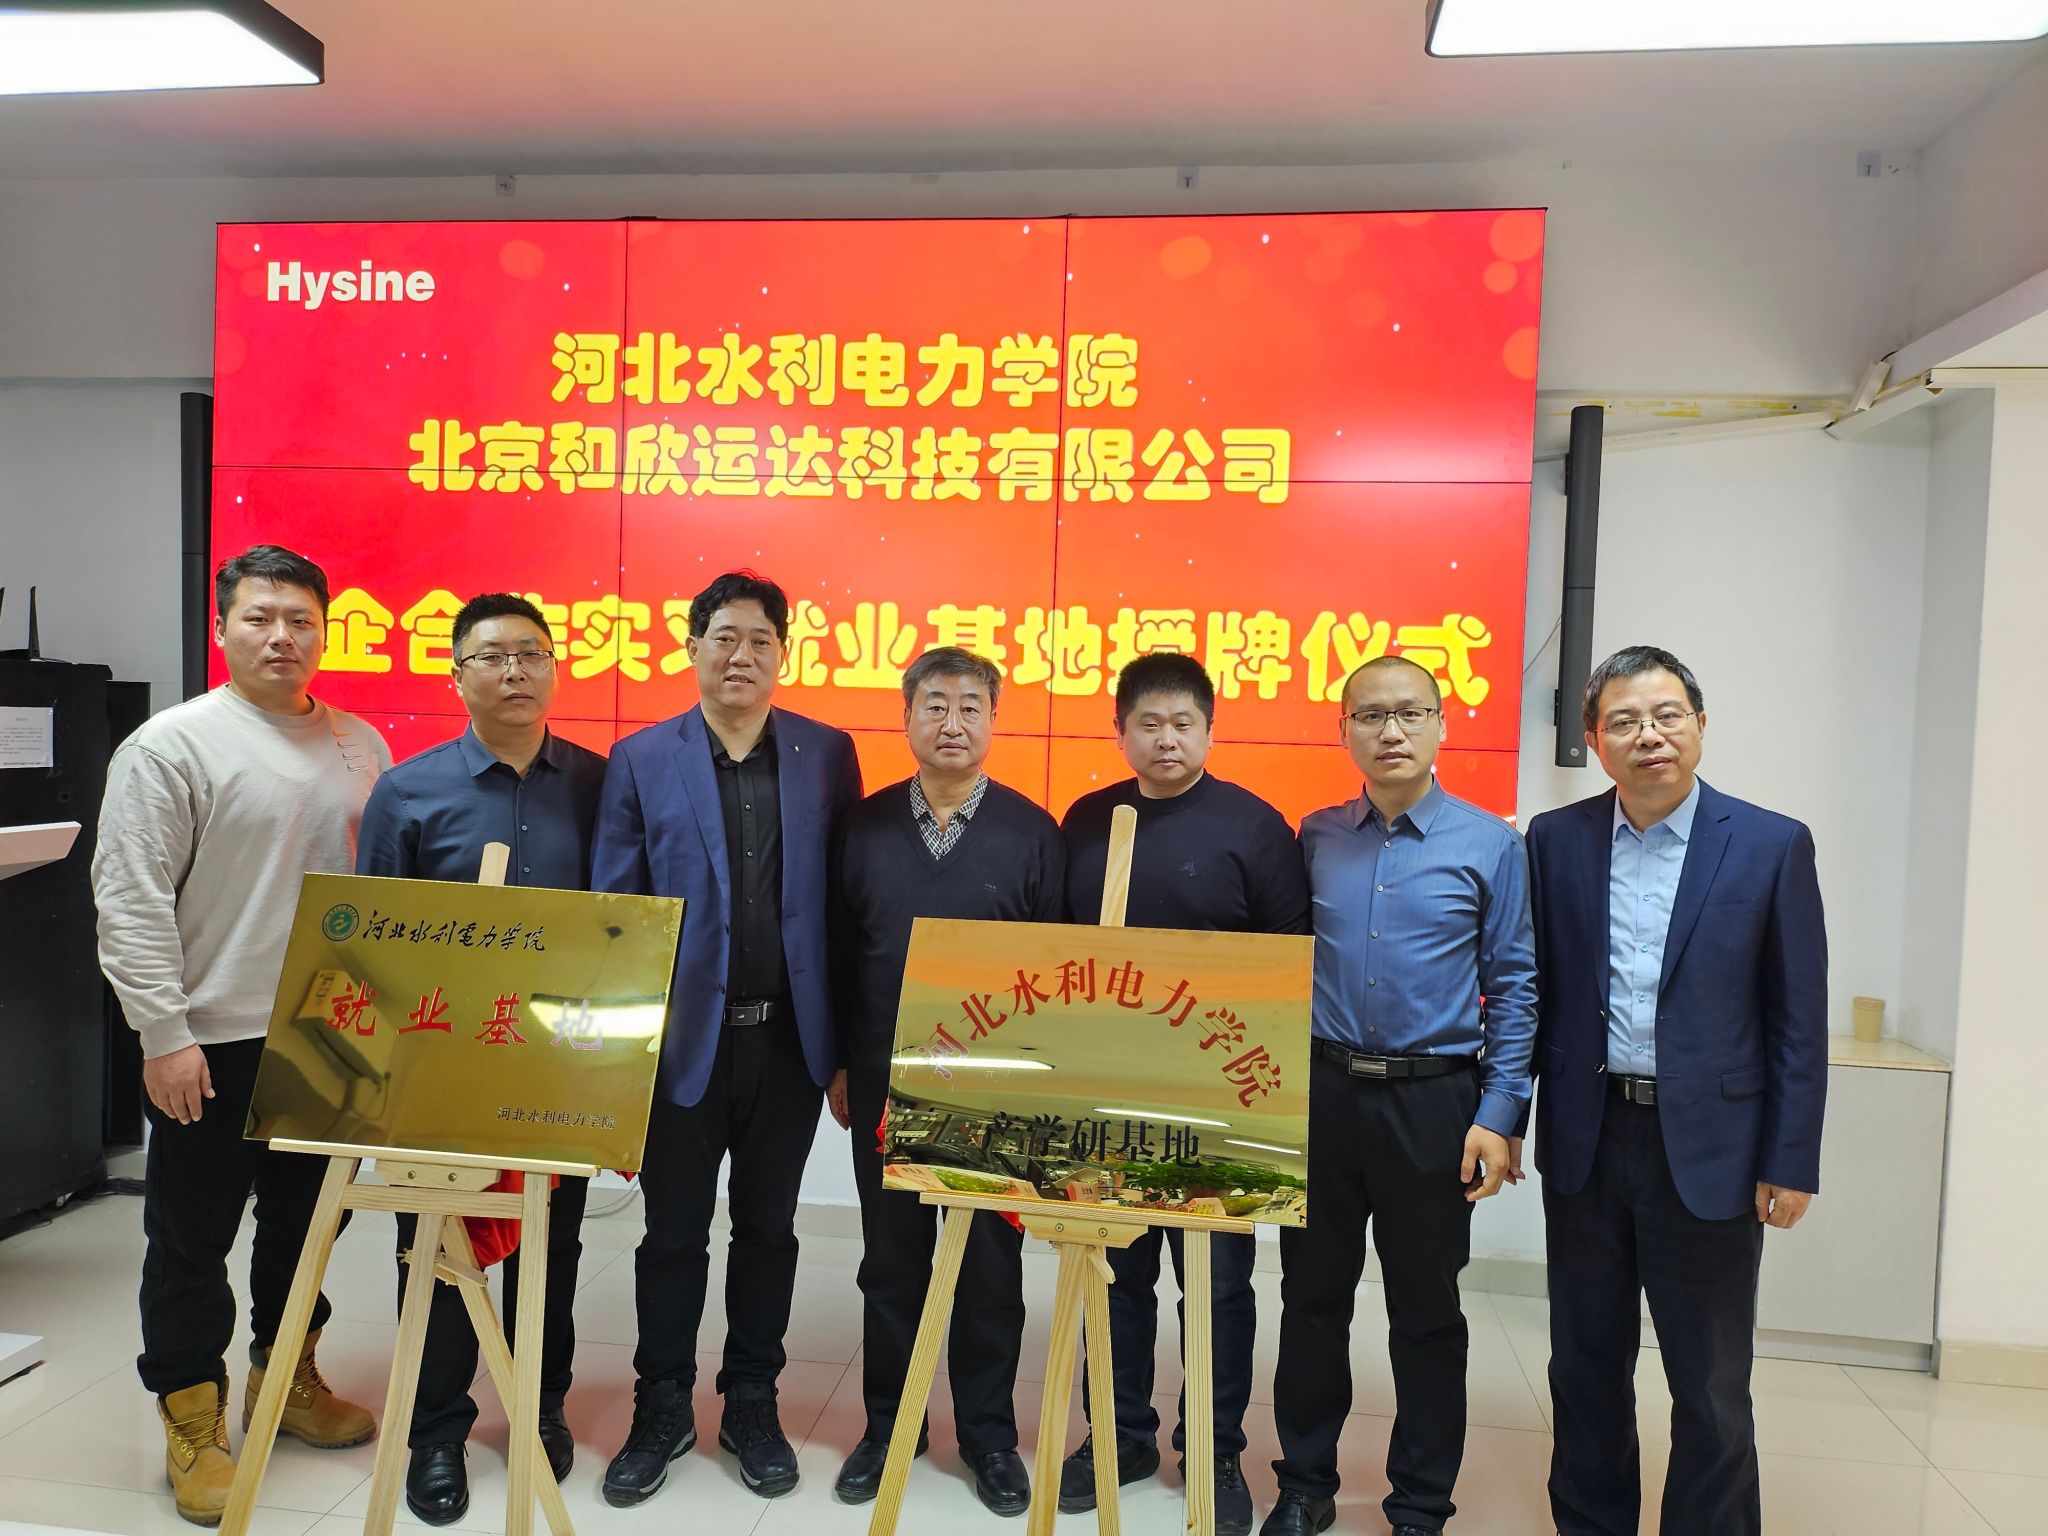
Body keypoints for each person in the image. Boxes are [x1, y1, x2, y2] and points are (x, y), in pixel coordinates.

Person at [93, 544, 391, 1527]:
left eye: (301, 620)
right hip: (209, 1040)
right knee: (191, 1238)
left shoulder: (360, 744)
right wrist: (162, 1033)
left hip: (332, 1036)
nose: (282, 636)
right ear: (222, 628)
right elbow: (130, 898)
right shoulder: (170, 747)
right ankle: (192, 1419)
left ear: (325, 632)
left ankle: (286, 1376)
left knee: (309, 1227)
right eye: (260, 617)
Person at [1524, 645, 1826, 1536]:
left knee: (1710, 1383)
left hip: (1713, 1151)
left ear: (1699, 725)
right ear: (1594, 740)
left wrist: (1790, 1159)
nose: (1648, 735)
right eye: (1624, 721)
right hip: (1587, 1139)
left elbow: (1796, 1018)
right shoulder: (1555, 840)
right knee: (1583, 1367)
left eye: (1666, 716)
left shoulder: (1770, 844)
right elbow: (1535, 991)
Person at [591, 570, 863, 1506]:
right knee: (671, 1234)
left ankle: (752, 1400)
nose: (741, 655)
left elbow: (839, 907)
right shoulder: (640, 758)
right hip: (680, 1048)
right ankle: (661, 1405)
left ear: (783, 653)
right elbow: (617, 914)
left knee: (768, 1231)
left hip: (787, 1043)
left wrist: (840, 1049)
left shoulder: (826, 756)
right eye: (724, 638)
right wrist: (621, 1055)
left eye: (760, 640)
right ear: (692, 647)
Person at [1264, 655, 1537, 1536]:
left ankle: (1419, 1504)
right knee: (1311, 1301)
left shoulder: (1491, 844)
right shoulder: (1315, 837)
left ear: (1441, 725)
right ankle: (1304, 1485)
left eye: (1411, 713)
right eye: (1371, 715)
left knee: (1426, 1314)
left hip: (1434, 1103)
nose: (1391, 731)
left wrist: (1499, 1114)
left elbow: (1516, 986)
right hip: (1323, 1096)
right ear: (1342, 729)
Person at [353, 592, 608, 1525]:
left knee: (556, 1241)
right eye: (493, 656)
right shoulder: (407, 791)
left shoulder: (600, 784)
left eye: (532, 654)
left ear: (555, 669)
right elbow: (375, 941)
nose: (514, 672)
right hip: (442, 1065)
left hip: (560, 1061)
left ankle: (539, 1404)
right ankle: (435, 1432)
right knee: (437, 1244)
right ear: (457, 675)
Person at [1057, 652, 1310, 1536]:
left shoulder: (1255, 827)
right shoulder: (1088, 821)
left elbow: (1289, 967)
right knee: (1113, 1274)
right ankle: (1118, 1435)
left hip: (1219, 1102)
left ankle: (1213, 1449)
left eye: (1183, 724)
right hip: (1107, 1099)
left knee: (1219, 1288)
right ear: (1120, 730)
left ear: (1208, 728)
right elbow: (1058, 956)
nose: (1166, 739)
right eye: (1149, 724)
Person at [829, 647, 1063, 1516]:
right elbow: (841, 953)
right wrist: (841, 1064)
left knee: (990, 1269)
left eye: (970, 706)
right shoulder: (862, 828)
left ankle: (989, 1437)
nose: (952, 722)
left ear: (994, 720)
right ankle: (889, 1428)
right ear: (907, 718)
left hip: (995, 1094)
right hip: (886, 1081)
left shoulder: (1033, 832)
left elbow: (1056, 972)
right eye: (934, 705)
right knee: (891, 1263)